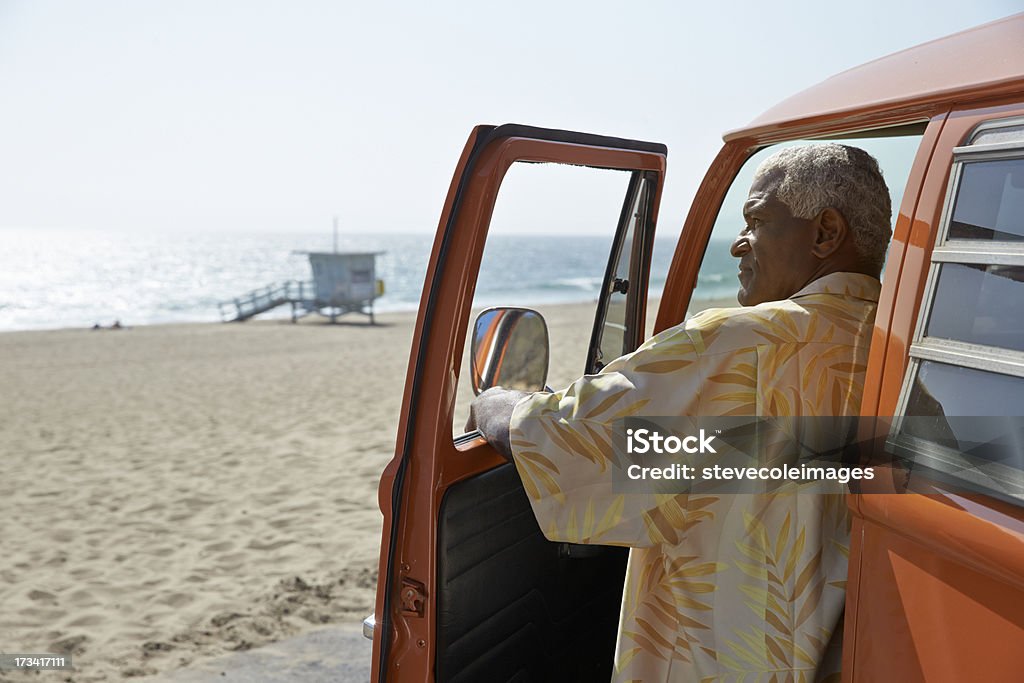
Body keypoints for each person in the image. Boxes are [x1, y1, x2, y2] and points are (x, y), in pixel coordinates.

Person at [469, 143, 892, 682]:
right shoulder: (907, 349)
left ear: (825, 233)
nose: (739, 244)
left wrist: (494, 399)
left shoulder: (736, 345)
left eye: (757, 221)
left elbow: (557, 438)